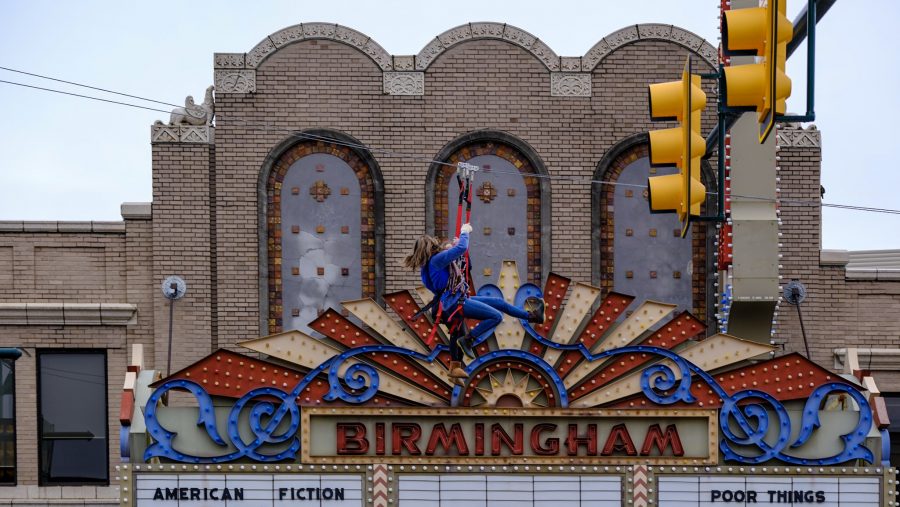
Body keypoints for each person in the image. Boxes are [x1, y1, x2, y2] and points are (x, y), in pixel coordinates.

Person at [403, 224, 544, 382]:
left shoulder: (428, 268)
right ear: (432, 247)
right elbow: (462, 248)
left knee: (496, 303)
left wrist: (455, 248)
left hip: (452, 301)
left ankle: (532, 316)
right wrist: (465, 231)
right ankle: (469, 340)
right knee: (496, 316)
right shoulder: (436, 260)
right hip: (455, 302)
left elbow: (461, 262)